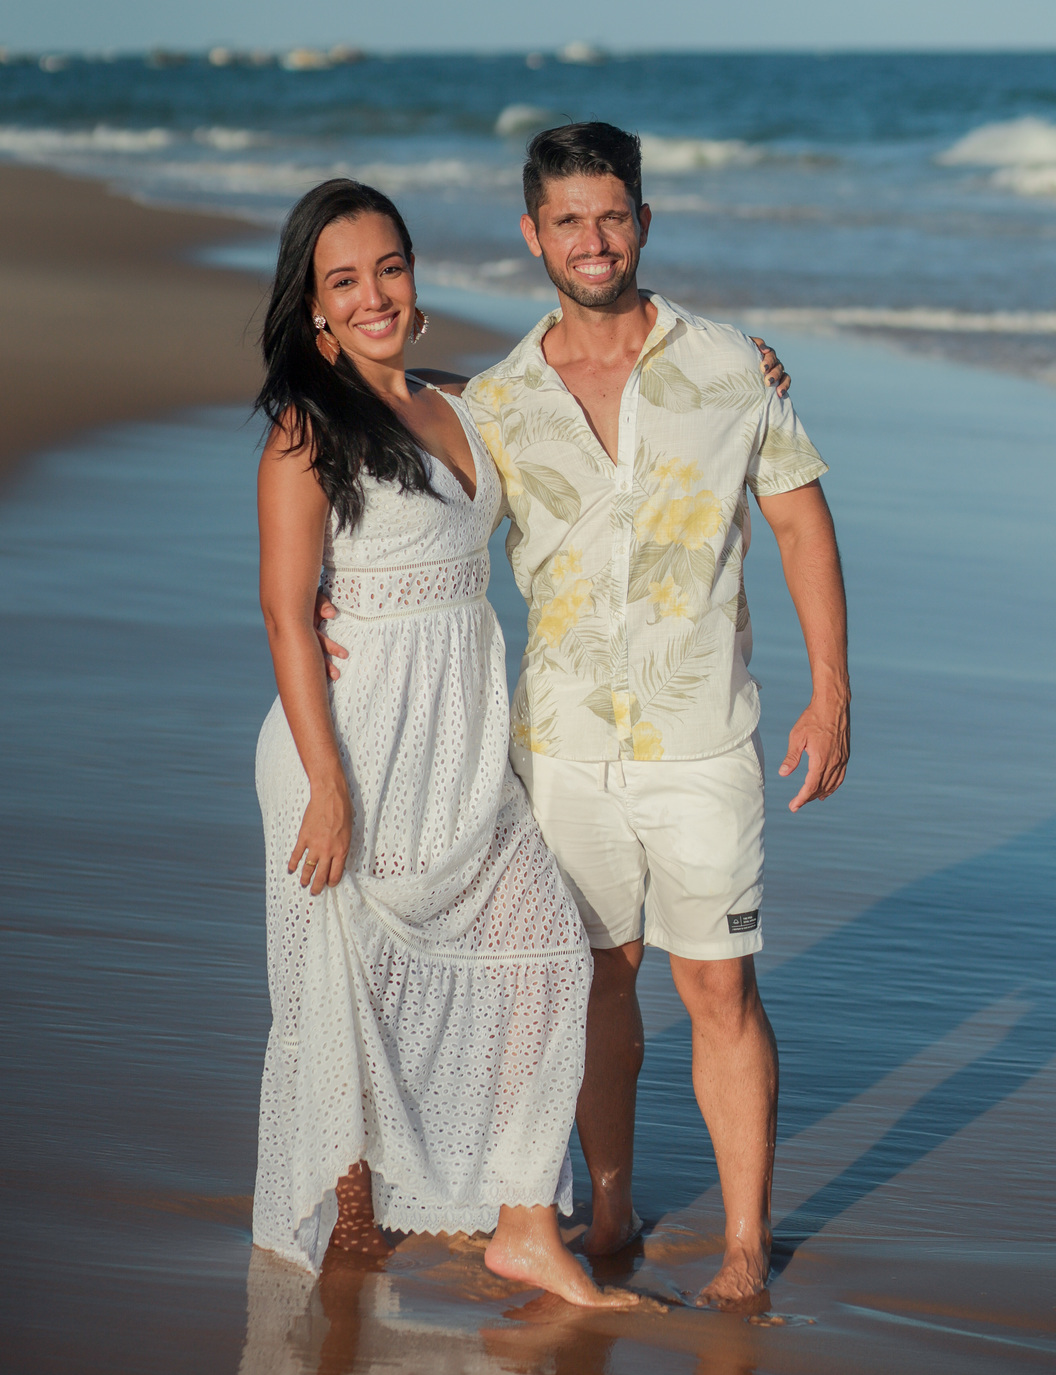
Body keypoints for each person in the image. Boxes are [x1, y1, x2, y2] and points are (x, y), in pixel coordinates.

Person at [320, 123, 849, 1304]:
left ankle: (747, 1247)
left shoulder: (727, 366)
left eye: (613, 216)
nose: (593, 240)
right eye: (568, 220)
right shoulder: (500, 399)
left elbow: (800, 520)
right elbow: (405, 489)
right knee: (595, 979)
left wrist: (833, 690)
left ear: (645, 222)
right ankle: (607, 1210)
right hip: (559, 748)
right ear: (532, 235)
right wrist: (318, 607)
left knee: (720, 986)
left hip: (706, 737)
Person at [250, 175, 636, 1309]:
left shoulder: (473, 402)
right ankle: (351, 1202)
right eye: (344, 280)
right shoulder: (304, 428)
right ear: (314, 309)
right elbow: (284, 611)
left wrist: (749, 368)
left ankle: (523, 1219)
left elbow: (603, 385)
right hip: (351, 742)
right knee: (340, 977)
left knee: (545, 951)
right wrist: (325, 782)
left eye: (390, 268)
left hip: (462, 739)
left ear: (416, 279)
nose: (374, 295)